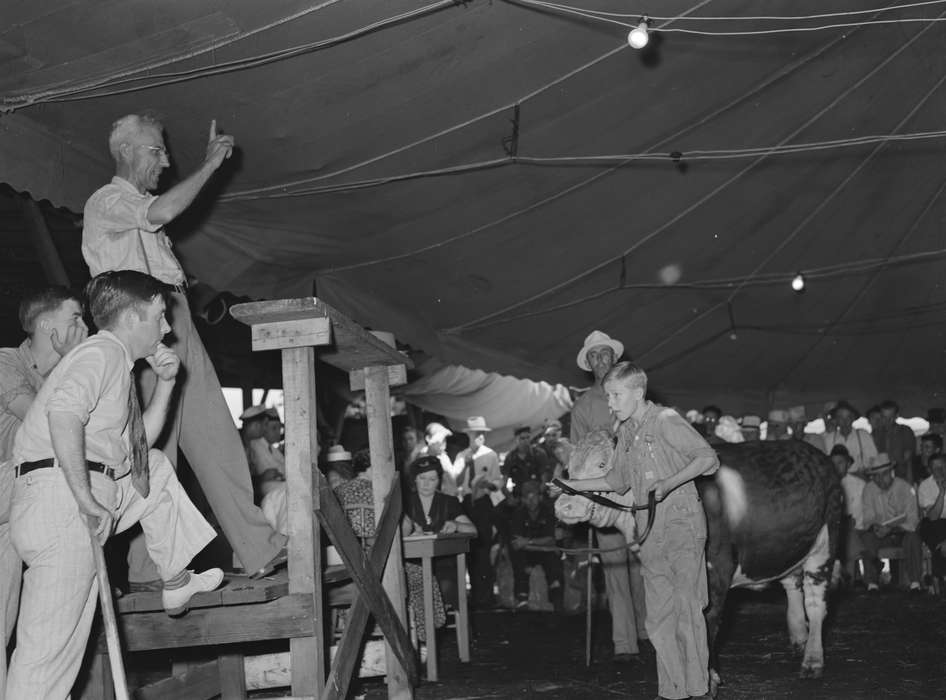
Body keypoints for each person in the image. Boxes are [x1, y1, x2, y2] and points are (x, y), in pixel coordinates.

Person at [81, 113, 287, 582]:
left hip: (176, 315)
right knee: (157, 450)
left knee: (218, 439)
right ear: (127, 151)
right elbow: (164, 212)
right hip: (138, 321)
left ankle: (258, 547)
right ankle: (149, 570)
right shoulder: (107, 201)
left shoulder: (142, 201)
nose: (166, 160)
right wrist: (211, 163)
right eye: (157, 151)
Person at [6, 271, 223, 698]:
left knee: (156, 470)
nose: (166, 329)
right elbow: (63, 414)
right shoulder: (101, 353)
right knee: (47, 659)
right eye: (160, 317)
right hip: (66, 499)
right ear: (130, 318)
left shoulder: (114, 364)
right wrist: (84, 497)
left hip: (81, 495)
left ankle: (175, 582)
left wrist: (166, 383)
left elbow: (140, 453)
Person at [561, 362, 719, 700]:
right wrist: (573, 485)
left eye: (616, 395)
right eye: (608, 396)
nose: (611, 403)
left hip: (681, 526)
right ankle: (673, 690)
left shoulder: (666, 421)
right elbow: (615, 481)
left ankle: (699, 689)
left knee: (686, 609)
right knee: (659, 616)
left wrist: (670, 482)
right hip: (648, 529)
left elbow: (708, 459)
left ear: (638, 392)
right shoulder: (626, 434)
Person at [0, 287, 88, 694]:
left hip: (18, 512)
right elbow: (43, 424)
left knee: (6, 624)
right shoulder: (5, 362)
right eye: (75, 318)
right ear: (47, 326)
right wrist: (76, 361)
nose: (82, 328)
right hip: (8, 484)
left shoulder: (64, 376)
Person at [569, 330, 647, 662]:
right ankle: (625, 643)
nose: (601, 361)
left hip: (638, 492)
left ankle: (649, 630)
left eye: (605, 355)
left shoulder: (631, 392)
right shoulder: (583, 405)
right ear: (589, 364)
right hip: (604, 496)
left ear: (615, 359)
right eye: (594, 357)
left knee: (644, 562)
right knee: (615, 563)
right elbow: (577, 456)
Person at [403, 455, 476, 607]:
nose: (426, 484)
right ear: (415, 479)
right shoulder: (404, 504)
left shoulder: (449, 502)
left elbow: (473, 530)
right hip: (414, 567)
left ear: (439, 481)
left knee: (446, 588)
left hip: (443, 567)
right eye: (422, 478)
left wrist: (456, 525)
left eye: (432, 479)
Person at [454, 416, 502, 608]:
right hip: (466, 503)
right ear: (470, 436)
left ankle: (487, 595)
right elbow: (454, 481)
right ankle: (475, 595)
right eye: (476, 434)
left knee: (484, 547)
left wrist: (488, 485)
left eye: (482, 434)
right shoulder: (462, 455)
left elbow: (498, 480)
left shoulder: (490, 455)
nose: (480, 437)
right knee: (470, 549)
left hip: (483, 502)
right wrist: (465, 464)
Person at [858, 453, 922, 592]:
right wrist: (876, 527)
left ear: (891, 472)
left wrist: (893, 529)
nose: (880, 479)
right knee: (866, 537)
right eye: (876, 476)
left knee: (913, 538)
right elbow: (868, 517)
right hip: (881, 534)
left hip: (902, 533)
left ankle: (915, 583)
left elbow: (913, 520)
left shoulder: (905, 488)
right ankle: (872, 584)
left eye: (884, 474)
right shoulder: (869, 489)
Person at [508, 480, 563, 611]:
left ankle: (557, 603)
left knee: (554, 564)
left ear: (540, 497)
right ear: (522, 499)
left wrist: (527, 542)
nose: (530, 501)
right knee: (520, 561)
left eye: (533, 497)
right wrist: (540, 544)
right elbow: (516, 544)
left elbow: (551, 539)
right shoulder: (518, 514)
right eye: (527, 497)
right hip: (528, 553)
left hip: (544, 551)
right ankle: (522, 601)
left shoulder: (549, 511)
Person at [829, 445, 866, 585]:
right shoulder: (826, 485)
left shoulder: (860, 485)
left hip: (856, 527)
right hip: (833, 528)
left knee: (848, 532)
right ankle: (847, 576)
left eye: (840, 463)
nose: (836, 467)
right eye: (833, 463)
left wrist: (852, 522)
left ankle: (848, 578)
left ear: (848, 464)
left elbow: (864, 511)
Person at [241, 405, 285, 499]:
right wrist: (262, 478)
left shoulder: (247, 444)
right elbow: (239, 480)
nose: (265, 430)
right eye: (264, 425)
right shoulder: (238, 445)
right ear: (255, 425)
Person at [823, 401, 877, 473]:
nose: (844, 421)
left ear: (853, 418)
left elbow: (874, 460)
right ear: (836, 420)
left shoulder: (864, 435)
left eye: (848, 417)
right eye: (840, 417)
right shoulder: (829, 439)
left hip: (861, 479)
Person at [917, 454, 946, 584]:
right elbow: (933, 516)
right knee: (932, 525)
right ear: (929, 470)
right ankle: (941, 575)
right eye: (934, 468)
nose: (938, 471)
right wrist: (941, 492)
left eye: (941, 466)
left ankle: (939, 576)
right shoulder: (925, 486)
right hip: (934, 526)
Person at [872, 400, 917, 483]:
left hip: (901, 476)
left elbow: (908, 458)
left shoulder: (905, 431)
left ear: (897, 416)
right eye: (884, 417)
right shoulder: (876, 433)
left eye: (891, 417)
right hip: (881, 478)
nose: (887, 421)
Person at [502, 427, 549, 491]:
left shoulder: (539, 453)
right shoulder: (510, 457)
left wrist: (540, 492)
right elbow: (505, 479)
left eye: (528, 437)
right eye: (522, 438)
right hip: (519, 494)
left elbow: (545, 477)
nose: (526, 440)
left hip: (538, 492)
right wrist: (510, 497)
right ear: (516, 439)